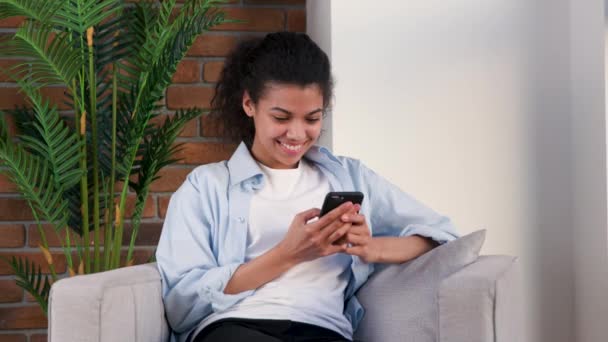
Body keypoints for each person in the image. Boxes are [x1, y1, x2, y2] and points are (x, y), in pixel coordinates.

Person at [156, 32, 459, 342]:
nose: (297, 134)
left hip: (322, 330)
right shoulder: (206, 186)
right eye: (281, 117)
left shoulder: (350, 177)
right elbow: (181, 304)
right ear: (249, 104)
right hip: (237, 327)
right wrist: (288, 254)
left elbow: (443, 237)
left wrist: (370, 248)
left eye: (312, 118)